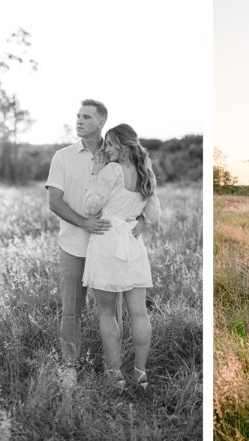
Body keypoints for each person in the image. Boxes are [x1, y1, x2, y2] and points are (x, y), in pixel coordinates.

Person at [45, 100, 147, 389]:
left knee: (112, 310)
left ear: (101, 122)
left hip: (109, 247)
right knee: (72, 309)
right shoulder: (63, 157)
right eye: (78, 116)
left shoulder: (117, 154)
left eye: (86, 117)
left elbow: (134, 193)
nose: (79, 121)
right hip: (75, 244)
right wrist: (84, 223)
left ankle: (111, 368)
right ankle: (69, 366)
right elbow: (54, 201)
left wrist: (139, 221)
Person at [83, 123, 160, 390]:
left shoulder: (112, 170)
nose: (106, 149)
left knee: (107, 313)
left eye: (111, 144)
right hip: (133, 242)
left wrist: (95, 172)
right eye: (105, 144)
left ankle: (114, 375)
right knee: (139, 313)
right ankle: (140, 374)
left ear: (125, 146)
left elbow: (90, 207)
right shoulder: (145, 171)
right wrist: (138, 217)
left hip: (108, 242)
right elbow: (154, 215)